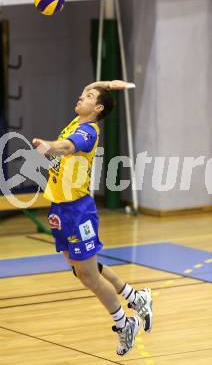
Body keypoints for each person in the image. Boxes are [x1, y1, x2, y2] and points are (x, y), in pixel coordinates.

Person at [32, 80, 153, 356]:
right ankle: (136, 297)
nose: (81, 95)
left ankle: (124, 324)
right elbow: (91, 85)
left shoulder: (87, 130)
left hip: (77, 211)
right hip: (59, 209)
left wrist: (49, 146)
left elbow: (66, 147)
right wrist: (110, 84)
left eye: (87, 96)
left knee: (87, 275)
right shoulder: (78, 120)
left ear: (97, 108)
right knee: (83, 269)